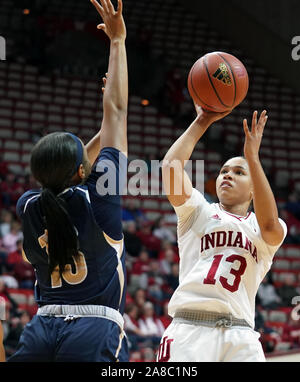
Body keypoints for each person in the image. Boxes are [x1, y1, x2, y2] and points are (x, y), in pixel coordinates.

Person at [8, 0, 129, 362]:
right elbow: (120, 115)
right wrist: (118, 42)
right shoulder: (99, 201)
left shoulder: (28, 205)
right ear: (81, 170)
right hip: (93, 330)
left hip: (41, 329)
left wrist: (108, 115)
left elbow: (79, 160)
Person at [157, 105, 287, 362]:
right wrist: (202, 121)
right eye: (223, 171)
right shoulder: (198, 211)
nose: (227, 175)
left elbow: (270, 227)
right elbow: (171, 168)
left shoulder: (266, 228)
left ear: (254, 190)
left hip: (241, 334)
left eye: (239, 172)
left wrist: (253, 158)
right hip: (190, 329)